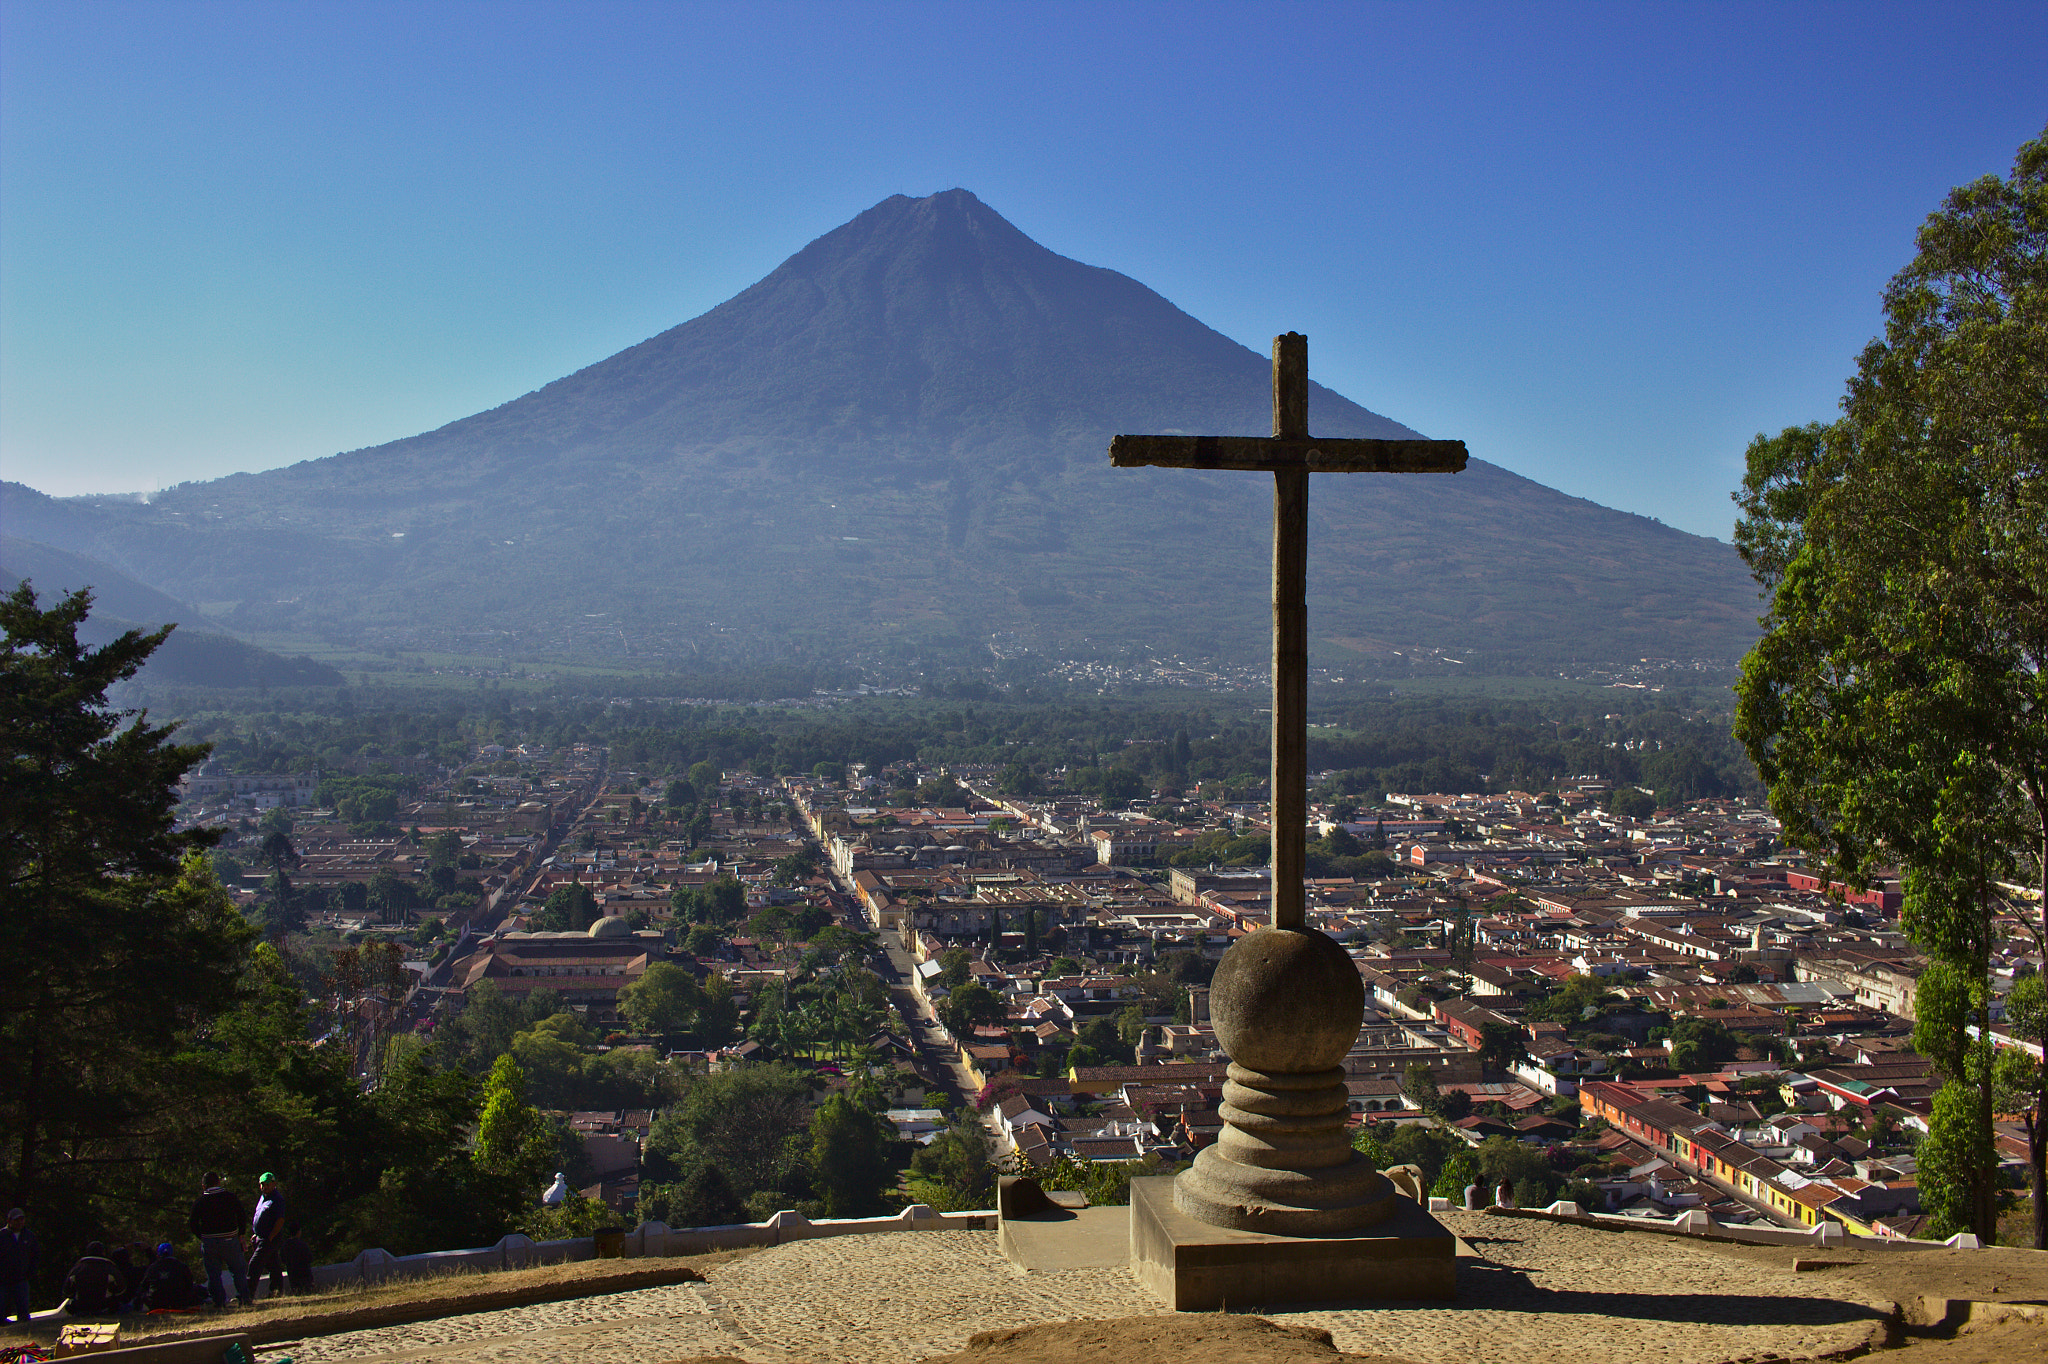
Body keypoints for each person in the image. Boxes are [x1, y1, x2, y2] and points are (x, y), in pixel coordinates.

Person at [187, 1171, 249, 1309]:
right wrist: (241, 1233)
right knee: (238, 1270)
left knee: (214, 1274)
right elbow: (241, 1214)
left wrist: (202, 1236)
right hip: (230, 1238)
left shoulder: (200, 1202)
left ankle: (219, 1301)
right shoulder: (229, 1197)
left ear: (203, 1186)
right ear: (219, 1182)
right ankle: (244, 1298)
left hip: (210, 1241)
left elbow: (193, 1223)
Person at [247, 1173, 286, 1301]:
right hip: (260, 1237)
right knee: (273, 1265)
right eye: (263, 1184)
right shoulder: (263, 1198)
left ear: (274, 1184)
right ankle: (276, 1291)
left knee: (255, 1264)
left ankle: (247, 1294)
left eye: (268, 1184)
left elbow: (280, 1220)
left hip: (269, 1238)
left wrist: (271, 1236)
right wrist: (256, 1233)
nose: (265, 1187)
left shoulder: (276, 1199)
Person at [135, 1243, 205, 1311]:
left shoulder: (152, 1267)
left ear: (159, 1253)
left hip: (155, 1303)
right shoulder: (181, 1266)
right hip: (178, 1302)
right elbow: (189, 1284)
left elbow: (143, 1286)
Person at [61, 1241, 124, 1318]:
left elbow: (67, 1292)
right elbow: (121, 1290)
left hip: (81, 1307)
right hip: (104, 1306)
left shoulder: (77, 1268)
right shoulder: (110, 1268)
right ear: (103, 1252)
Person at [0, 1208, 36, 1329]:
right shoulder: (2, 1235)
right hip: (3, 1279)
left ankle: (25, 1329)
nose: (19, 1222)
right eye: (16, 1220)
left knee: (23, 1310)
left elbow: (34, 1255)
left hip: (21, 1278)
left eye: (22, 1219)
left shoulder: (29, 1236)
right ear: (9, 1221)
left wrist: (30, 1272)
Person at [276, 1220, 313, 1297]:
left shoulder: (285, 1245)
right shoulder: (302, 1244)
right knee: (306, 1290)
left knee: (297, 1291)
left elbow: (282, 1259)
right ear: (299, 1231)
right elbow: (310, 1258)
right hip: (304, 1273)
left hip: (292, 1273)